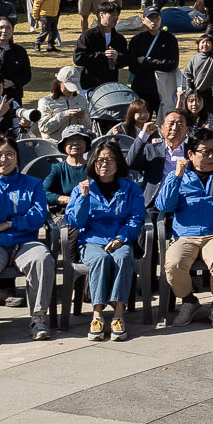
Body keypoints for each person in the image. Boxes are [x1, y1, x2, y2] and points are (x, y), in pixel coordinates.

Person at [0, 135, 56, 346]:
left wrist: (8, 224)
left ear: (17, 158)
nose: (3, 159)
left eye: (9, 154)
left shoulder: (33, 184)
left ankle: (38, 318)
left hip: (24, 241)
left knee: (42, 258)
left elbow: (37, 216)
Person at [155, 126, 213, 327]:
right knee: (172, 264)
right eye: (205, 152)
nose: (211, 156)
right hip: (185, 235)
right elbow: (163, 206)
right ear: (191, 154)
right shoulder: (178, 175)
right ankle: (189, 301)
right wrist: (176, 177)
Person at [63, 141, 144, 341]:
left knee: (123, 256)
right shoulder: (83, 188)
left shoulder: (130, 188)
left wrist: (121, 238)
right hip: (91, 240)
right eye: (99, 160)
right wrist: (83, 197)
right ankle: (97, 314)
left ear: (118, 162)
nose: (104, 164)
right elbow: (75, 221)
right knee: (100, 259)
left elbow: (136, 218)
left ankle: (118, 314)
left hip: (119, 238)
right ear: (92, 163)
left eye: (109, 160)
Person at [125, 6, 181, 116]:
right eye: (150, 18)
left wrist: (148, 61)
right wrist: (159, 64)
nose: (153, 21)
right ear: (143, 21)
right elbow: (133, 66)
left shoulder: (169, 39)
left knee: (165, 119)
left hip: (164, 88)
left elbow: (172, 64)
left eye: (156, 18)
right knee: (141, 119)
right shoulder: (136, 40)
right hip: (142, 88)